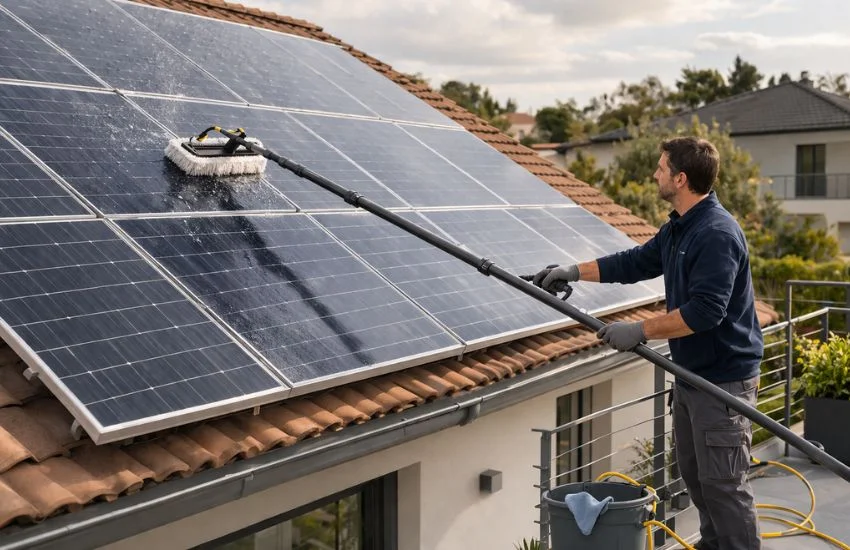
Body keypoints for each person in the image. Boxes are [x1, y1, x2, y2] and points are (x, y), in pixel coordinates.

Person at [532, 137, 763, 550]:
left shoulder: (715, 233)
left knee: (724, 487)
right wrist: (573, 270)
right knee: (697, 479)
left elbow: (706, 312)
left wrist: (640, 330)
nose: (654, 174)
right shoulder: (680, 227)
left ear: (680, 177)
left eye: (660, 168)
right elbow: (634, 262)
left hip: (723, 383)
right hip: (692, 378)